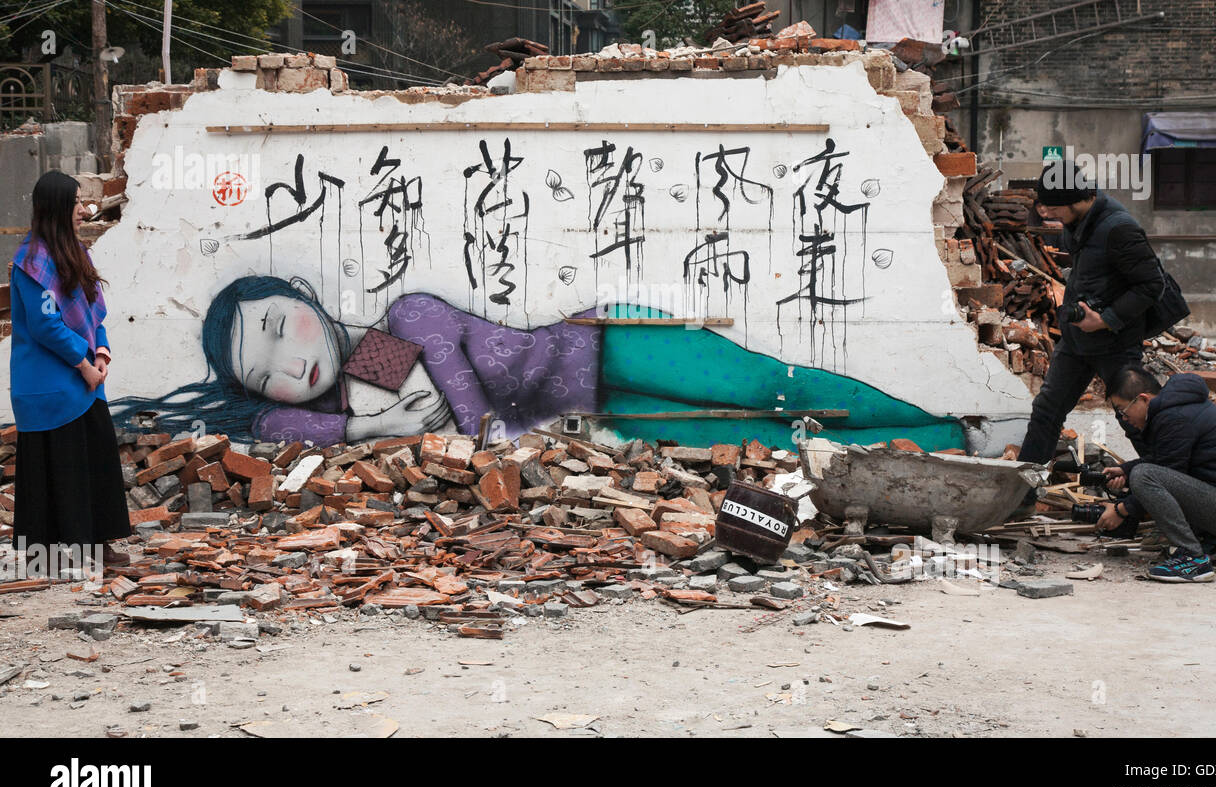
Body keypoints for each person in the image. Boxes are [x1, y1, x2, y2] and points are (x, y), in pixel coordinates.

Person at [111, 274, 967, 451]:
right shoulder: (364, 390)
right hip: (600, 418)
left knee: (774, 389)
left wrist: (441, 427)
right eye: (262, 368)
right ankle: (948, 453)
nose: (285, 359)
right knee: (768, 447)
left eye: (272, 324)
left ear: (298, 294)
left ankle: (939, 420)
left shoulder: (399, 323)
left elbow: (464, 405)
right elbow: (273, 423)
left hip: (608, 343)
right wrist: (365, 425)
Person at [8, 170, 131, 573]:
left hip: (84, 378)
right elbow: (46, 326)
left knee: (93, 460)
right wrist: (82, 365)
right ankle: (49, 554)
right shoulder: (31, 263)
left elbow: (96, 312)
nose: (84, 209)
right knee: (56, 465)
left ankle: (94, 545)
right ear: (57, 207)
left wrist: (101, 353)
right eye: (77, 202)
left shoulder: (77, 253)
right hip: (48, 382)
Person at [1017, 163, 1166, 464]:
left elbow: (1152, 285)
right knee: (1047, 409)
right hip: (1076, 342)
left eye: (1053, 208)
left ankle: (1167, 481)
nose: (1047, 214)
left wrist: (1106, 318)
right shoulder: (1078, 223)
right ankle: (1024, 490)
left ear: (1075, 199)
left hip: (1116, 343)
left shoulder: (1119, 228)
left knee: (1132, 416)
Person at [1100, 365, 1216, 583]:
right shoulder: (1177, 409)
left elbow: (1165, 473)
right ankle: (1211, 542)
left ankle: (1193, 557)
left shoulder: (1174, 417)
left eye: (1122, 410)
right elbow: (1167, 461)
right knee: (1141, 472)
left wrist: (1122, 510)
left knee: (1143, 476)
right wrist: (1125, 469)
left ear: (1143, 399)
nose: (1124, 418)